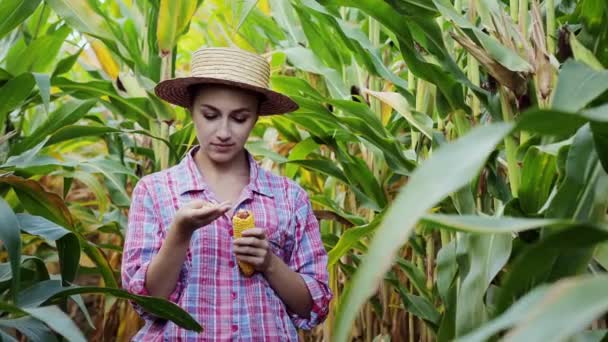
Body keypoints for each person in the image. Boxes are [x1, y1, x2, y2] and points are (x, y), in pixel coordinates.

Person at [121, 47, 332, 341]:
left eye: (239, 118)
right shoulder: (154, 191)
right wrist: (180, 233)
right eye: (210, 115)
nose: (223, 131)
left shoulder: (289, 197)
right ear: (190, 111)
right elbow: (146, 303)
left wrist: (269, 262)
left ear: (257, 117)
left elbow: (315, 306)